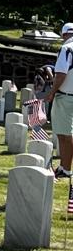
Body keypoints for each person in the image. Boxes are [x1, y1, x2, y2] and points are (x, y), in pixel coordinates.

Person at [46, 22, 73, 178]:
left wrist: (52, 92)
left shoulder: (66, 48)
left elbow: (61, 74)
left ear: (64, 35)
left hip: (66, 96)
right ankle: (65, 166)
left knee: (64, 134)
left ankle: (65, 168)